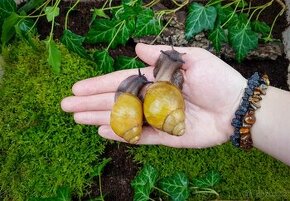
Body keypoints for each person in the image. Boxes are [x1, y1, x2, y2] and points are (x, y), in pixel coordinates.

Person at [61, 43, 290, 166]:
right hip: (165, 105)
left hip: (167, 105)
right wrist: (237, 102)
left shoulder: (164, 91)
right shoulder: (165, 87)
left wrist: (235, 100)